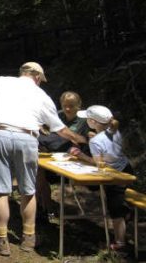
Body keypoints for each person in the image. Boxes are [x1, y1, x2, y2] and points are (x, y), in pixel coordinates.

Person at [0, 62, 86, 256]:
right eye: (41, 80)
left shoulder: (3, 81)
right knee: (28, 190)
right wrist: (79, 139)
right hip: (27, 138)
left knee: (0, 190)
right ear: (37, 77)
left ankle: (1, 239)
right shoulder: (42, 96)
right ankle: (29, 238)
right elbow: (60, 129)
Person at [70, 105, 133, 251]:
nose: (86, 121)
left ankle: (120, 244)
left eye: (87, 119)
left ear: (93, 122)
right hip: (126, 168)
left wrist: (81, 155)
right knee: (116, 203)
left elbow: (99, 164)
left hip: (113, 176)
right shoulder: (114, 131)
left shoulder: (95, 142)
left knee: (115, 209)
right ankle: (127, 215)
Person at [36, 91, 91, 220]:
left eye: (71, 106)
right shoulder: (58, 116)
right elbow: (44, 130)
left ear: (79, 105)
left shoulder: (85, 122)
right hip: (54, 156)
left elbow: (86, 142)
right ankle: (46, 208)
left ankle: (46, 209)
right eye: (65, 105)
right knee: (38, 170)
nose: (67, 109)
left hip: (76, 160)